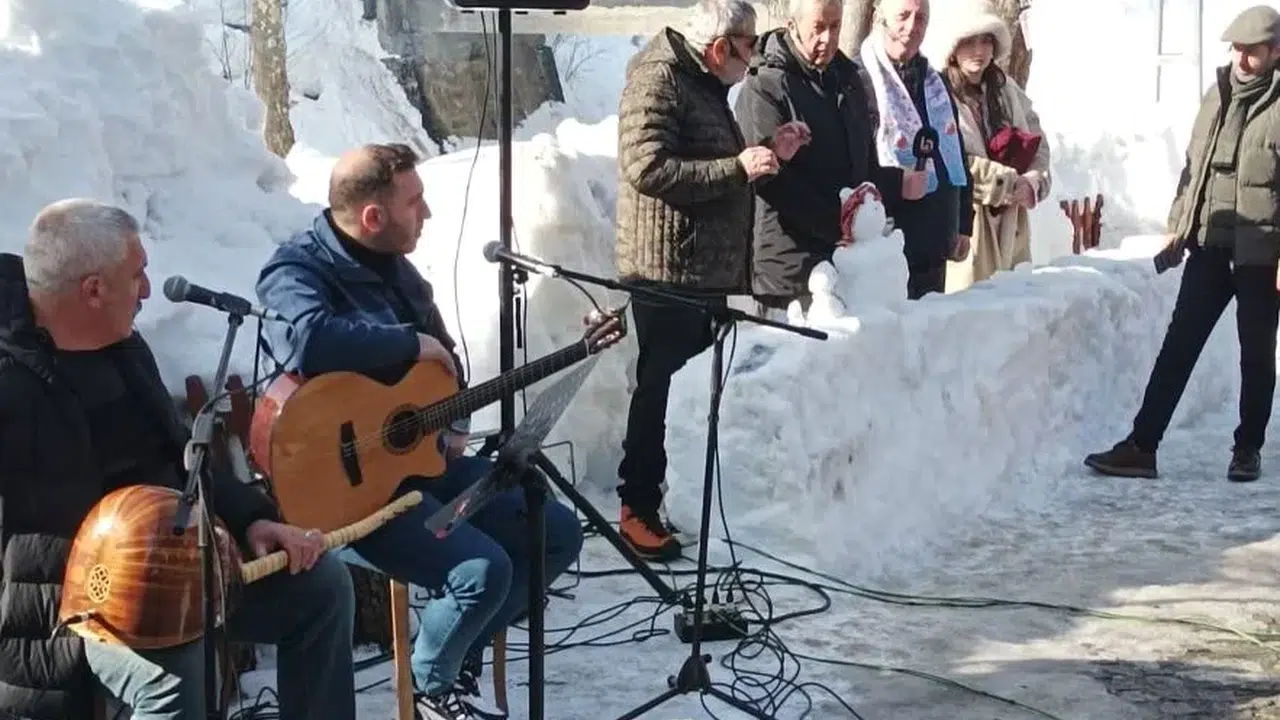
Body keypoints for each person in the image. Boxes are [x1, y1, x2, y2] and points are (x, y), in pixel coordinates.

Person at [255, 143, 585, 720]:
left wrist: (453, 418)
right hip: (344, 490)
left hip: (417, 464)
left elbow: (444, 363)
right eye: (415, 202)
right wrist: (407, 343)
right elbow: (310, 340)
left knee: (553, 531)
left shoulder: (398, 271)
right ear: (372, 216)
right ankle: (430, 688)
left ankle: (451, 664)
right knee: (481, 570)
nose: (427, 213)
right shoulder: (295, 270)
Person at [0, 199, 356, 720]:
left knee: (320, 587)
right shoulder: (11, 381)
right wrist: (125, 569)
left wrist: (252, 519)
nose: (148, 290)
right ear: (93, 290)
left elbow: (183, 459)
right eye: (137, 275)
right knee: (172, 673)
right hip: (66, 603)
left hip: (178, 569)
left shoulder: (123, 346)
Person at [614, 0, 809, 561]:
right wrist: (737, 167)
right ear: (719, 48)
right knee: (660, 388)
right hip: (666, 269)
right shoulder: (660, 78)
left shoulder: (701, 81)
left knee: (688, 391)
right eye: (748, 49)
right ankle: (636, 506)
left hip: (699, 267)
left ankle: (672, 501)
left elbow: (708, 158)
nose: (752, 62)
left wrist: (769, 153)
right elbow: (646, 166)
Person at [1085, 5, 1280, 483]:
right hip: (1209, 246)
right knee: (1178, 347)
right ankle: (1142, 446)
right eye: (1236, 49)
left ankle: (1247, 449)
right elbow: (1194, 168)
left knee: (1256, 356)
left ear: (1276, 51)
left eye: (1252, 51)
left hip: (1261, 254)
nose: (1241, 59)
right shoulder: (1218, 94)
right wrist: (1178, 224)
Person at [736, 0, 927, 313]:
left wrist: (895, 183)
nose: (828, 37)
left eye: (835, 26)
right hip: (791, 269)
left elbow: (861, 165)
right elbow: (771, 182)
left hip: (847, 262)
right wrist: (840, 224)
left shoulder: (848, 78)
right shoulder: (764, 86)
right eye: (818, 27)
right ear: (792, 26)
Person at [924, 0, 1052, 292]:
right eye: (969, 42)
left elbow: (1040, 145)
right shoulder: (937, 94)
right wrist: (1004, 183)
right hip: (968, 231)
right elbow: (947, 159)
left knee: (1015, 311)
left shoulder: (1006, 89)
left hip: (1012, 232)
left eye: (985, 41)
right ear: (953, 48)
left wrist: (1033, 182)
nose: (978, 51)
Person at [859, 0, 974, 298]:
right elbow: (855, 164)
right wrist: (897, 183)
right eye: (903, 16)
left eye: (921, 18)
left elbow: (954, 153)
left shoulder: (934, 82)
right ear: (880, 17)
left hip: (935, 243)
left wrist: (962, 222)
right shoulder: (859, 79)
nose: (912, 27)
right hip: (888, 243)